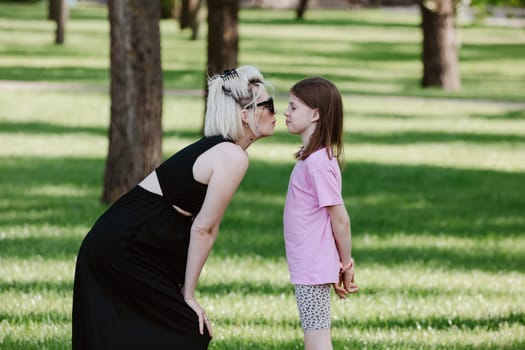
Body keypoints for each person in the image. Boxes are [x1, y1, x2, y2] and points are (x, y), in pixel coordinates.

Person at [72, 65, 276, 349]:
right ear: (246, 115)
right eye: (269, 105)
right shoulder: (231, 156)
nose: (275, 114)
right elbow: (203, 229)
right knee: (187, 330)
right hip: (122, 247)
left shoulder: (223, 150)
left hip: (131, 244)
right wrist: (188, 296)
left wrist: (182, 286)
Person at [282, 77, 359, 350]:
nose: (285, 113)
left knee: (317, 340)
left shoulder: (318, 163)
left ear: (315, 114)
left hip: (313, 267)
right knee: (313, 337)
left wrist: (346, 265)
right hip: (309, 265)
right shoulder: (312, 158)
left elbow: (341, 219)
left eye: (293, 107)